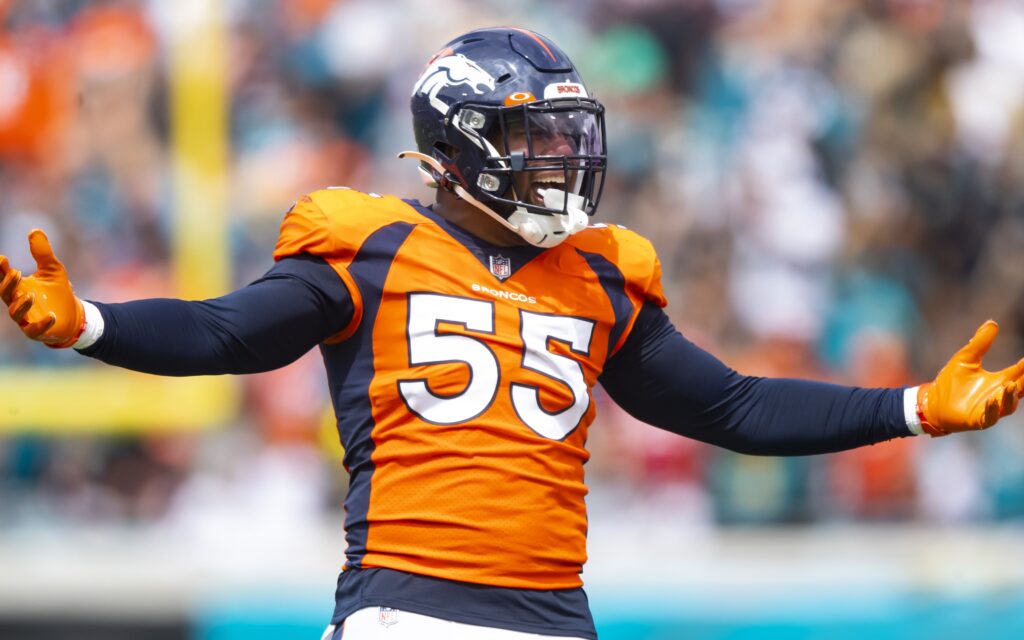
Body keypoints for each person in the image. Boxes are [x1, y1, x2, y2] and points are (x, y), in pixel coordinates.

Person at [1, 27, 1022, 640]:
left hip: (550, 615)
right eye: (533, 138)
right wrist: (92, 324)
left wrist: (912, 407)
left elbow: (731, 405)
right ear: (458, 143)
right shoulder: (370, 244)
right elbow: (227, 333)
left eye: (566, 137)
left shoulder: (600, 273)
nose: (558, 161)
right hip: (407, 609)